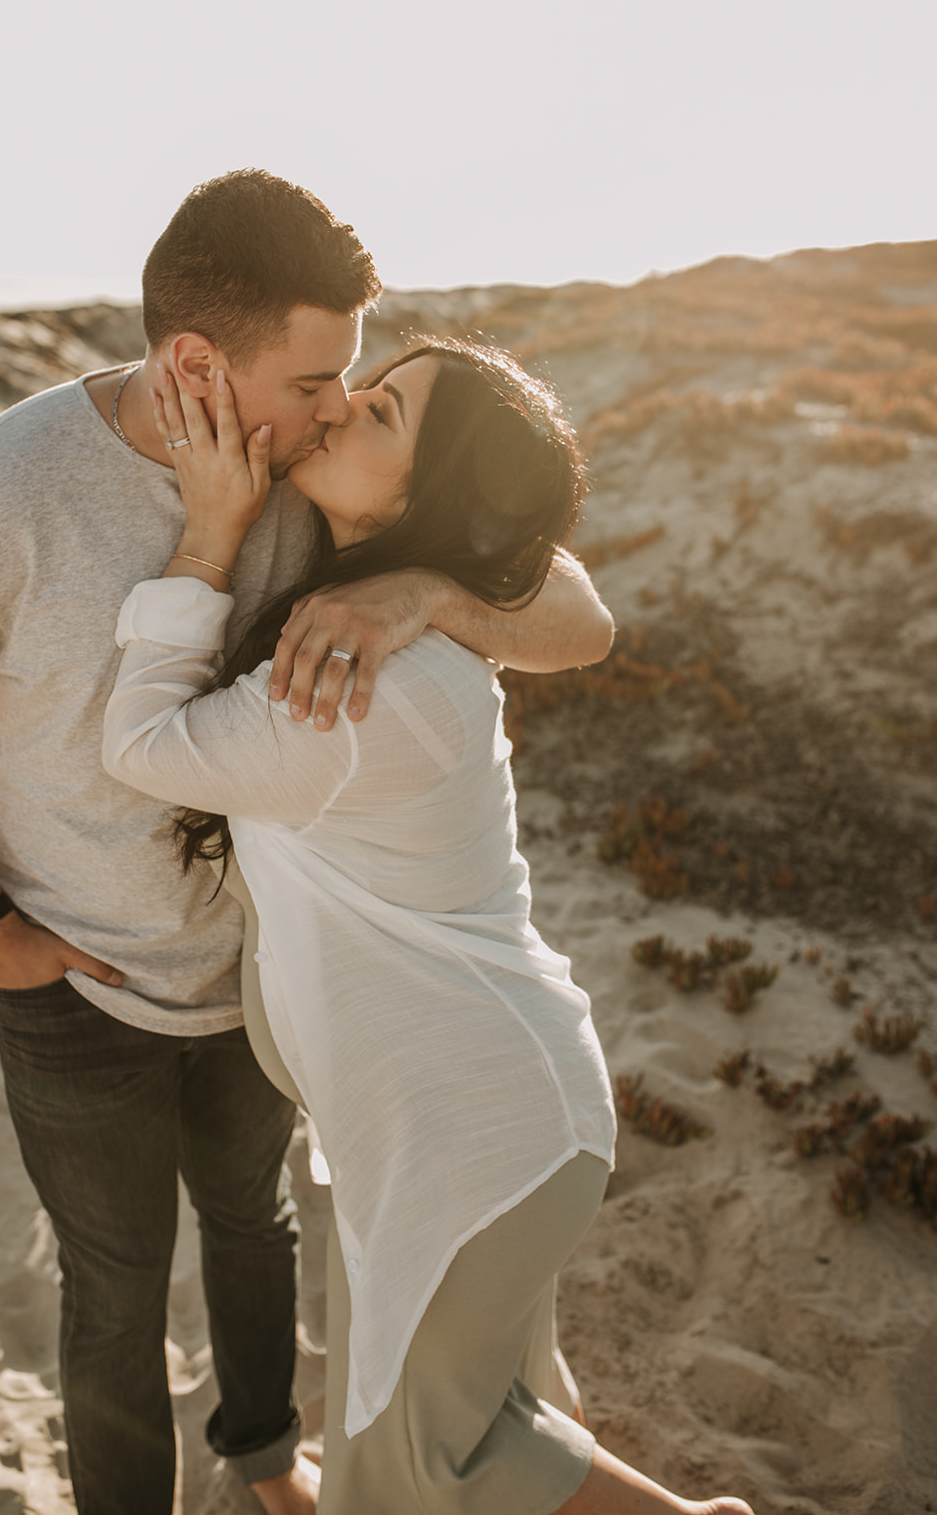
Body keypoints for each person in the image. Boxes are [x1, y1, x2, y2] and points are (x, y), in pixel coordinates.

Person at [0, 172, 616, 1515]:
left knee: (254, 1228)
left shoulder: (310, 471)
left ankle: (265, 1464)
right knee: (109, 1292)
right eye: (320, 375)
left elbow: (573, 615)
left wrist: (423, 585)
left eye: (352, 384)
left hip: (256, 987)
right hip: (75, 978)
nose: (336, 405)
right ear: (197, 362)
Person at [100, 345, 755, 1515]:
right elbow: (552, 588)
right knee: (470, 1432)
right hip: (460, 1128)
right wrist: (428, 586)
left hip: (476, 1137)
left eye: (382, 409)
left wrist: (206, 537)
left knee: (417, 1469)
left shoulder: (357, 689)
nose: (342, 402)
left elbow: (141, 747)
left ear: (423, 497)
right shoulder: (405, 635)